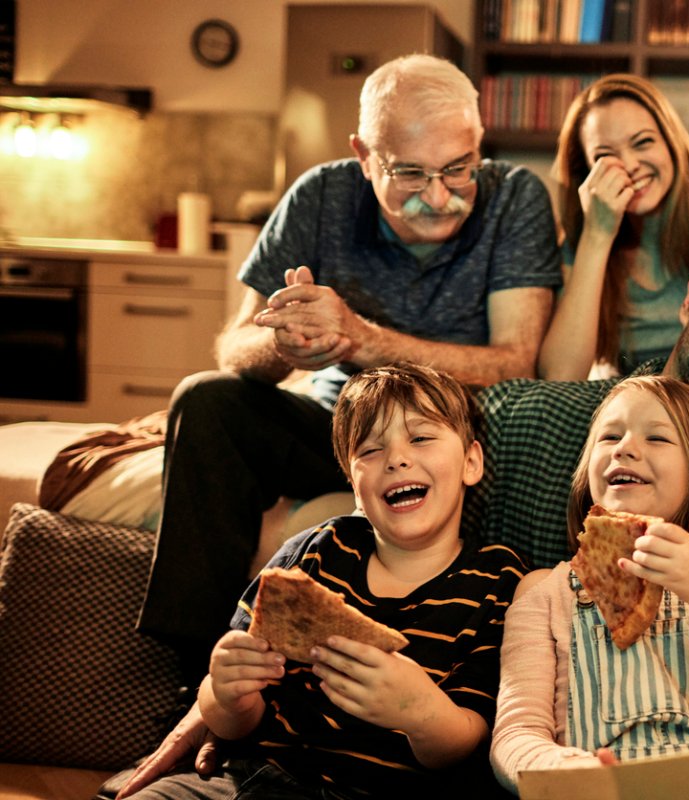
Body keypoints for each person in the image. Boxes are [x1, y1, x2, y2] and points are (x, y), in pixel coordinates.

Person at [111, 229, 689, 797]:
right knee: (210, 402)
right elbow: (406, 452)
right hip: (544, 769)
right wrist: (222, 692)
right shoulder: (539, 429)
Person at [136, 53, 560, 673]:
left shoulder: (515, 196)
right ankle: (199, 673)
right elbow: (235, 347)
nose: (440, 196)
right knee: (206, 399)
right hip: (339, 427)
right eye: (410, 174)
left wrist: (362, 340)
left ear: (479, 146)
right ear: (364, 156)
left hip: (442, 435)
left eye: (458, 169)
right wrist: (282, 346)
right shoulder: (319, 196)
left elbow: (515, 363)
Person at [107, 362, 527, 798]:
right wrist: (226, 693)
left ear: (471, 462)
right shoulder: (317, 550)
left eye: (421, 438)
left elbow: (467, 742)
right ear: (351, 479)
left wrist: (419, 711)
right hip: (255, 778)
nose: (397, 458)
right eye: (369, 450)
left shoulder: (498, 580)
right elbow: (234, 717)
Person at [490, 376, 689, 788]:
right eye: (610, 435)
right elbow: (514, 734)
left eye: (658, 439)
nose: (625, 448)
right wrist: (561, 771)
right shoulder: (545, 592)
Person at [538, 73, 689, 380]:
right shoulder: (583, 241)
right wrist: (597, 235)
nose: (630, 164)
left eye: (643, 143)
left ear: (671, 142)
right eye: (605, 156)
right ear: (586, 172)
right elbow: (560, 376)